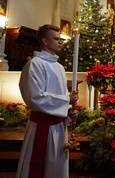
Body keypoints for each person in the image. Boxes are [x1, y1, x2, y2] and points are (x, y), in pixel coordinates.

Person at [16, 24, 78, 178]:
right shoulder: (34, 65)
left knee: (56, 168)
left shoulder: (59, 67)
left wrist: (69, 112)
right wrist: (66, 100)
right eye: (56, 39)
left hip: (58, 127)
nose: (60, 42)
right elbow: (34, 97)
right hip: (42, 127)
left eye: (60, 39)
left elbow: (61, 95)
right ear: (44, 41)